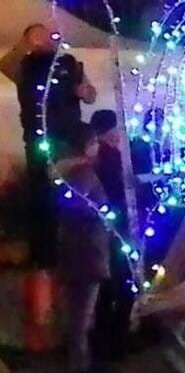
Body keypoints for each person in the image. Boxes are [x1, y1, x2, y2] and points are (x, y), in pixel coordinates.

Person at [15, 23, 95, 351]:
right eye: (41, 35)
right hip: (42, 150)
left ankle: (72, 327)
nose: (49, 38)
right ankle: (43, 326)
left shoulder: (69, 63)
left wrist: (83, 90)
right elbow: (5, 65)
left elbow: (89, 94)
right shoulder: (26, 64)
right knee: (46, 239)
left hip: (71, 147)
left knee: (75, 232)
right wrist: (26, 43)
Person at [53, 124, 111, 372]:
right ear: (86, 145)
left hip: (74, 250)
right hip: (88, 253)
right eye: (95, 142)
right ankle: (80, 366)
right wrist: (101, 214)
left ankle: (80, 362)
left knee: (78, 317)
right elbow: (78, 205)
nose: (98, 147)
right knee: (81, 320)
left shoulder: (64, 172)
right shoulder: (84, 173)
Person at [89, 109, 134, 362]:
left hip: (102, 232)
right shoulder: (113, 160)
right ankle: (115, 345)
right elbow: (123, 190)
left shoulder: (93, 159)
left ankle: (105, 343)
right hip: (119, 230)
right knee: (122, 286)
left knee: (108, 289)